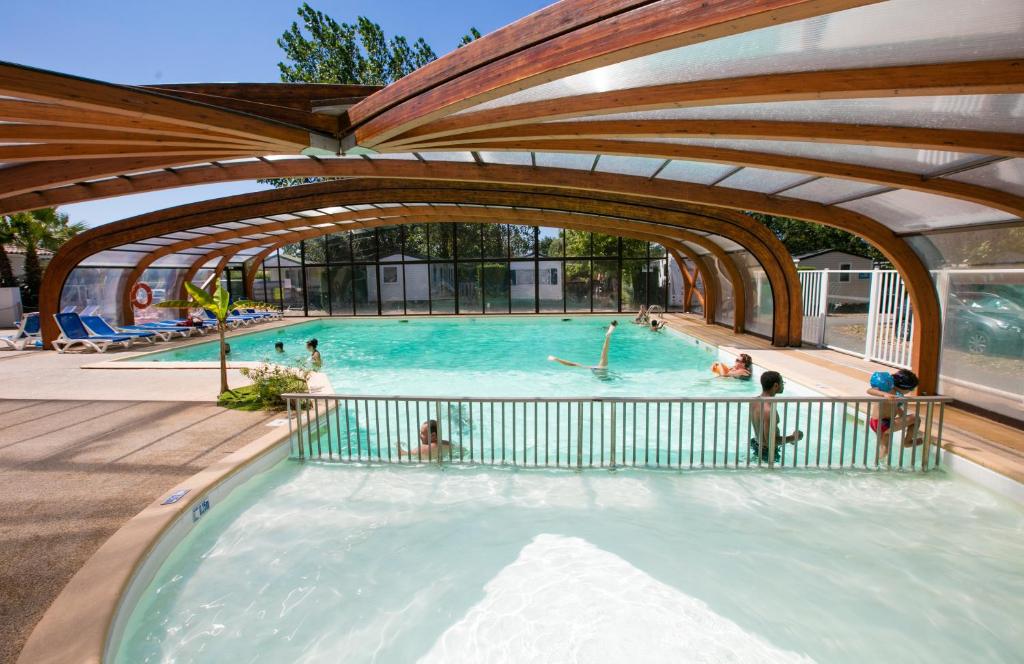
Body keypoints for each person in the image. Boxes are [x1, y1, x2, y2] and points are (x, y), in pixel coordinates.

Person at [867, 369, 923, 459]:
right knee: (915, 418)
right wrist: (884, 394)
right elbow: (870, 390)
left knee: (885, 449)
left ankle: (878, 466)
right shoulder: (888, 390)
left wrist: (908, 424)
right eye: (911, 389)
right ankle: (907, 442)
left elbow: (898, 410)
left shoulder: (895, 395)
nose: (910, 392)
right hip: (883, 423)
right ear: (905, 387)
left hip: (876, 423)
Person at [749, 371, 803, 463]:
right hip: (767, 452)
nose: (783, 385)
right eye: (782, 382)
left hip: (756, 444)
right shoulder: (769, 410)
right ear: (776, 386)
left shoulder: (754, 401)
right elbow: (769, 442)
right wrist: (794, 437)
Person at [548, 321, 617, 373]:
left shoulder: (592, 369)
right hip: (599, 369)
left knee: (604, 353)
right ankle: (608, 336)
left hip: (597, 368)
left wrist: (556, 359)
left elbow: (572, 364)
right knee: (604, 353)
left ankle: (608, 336)